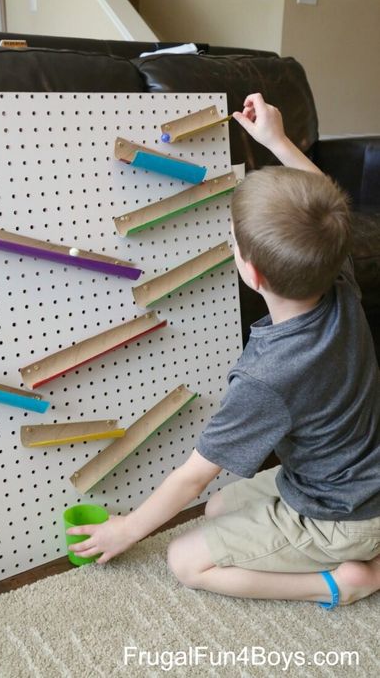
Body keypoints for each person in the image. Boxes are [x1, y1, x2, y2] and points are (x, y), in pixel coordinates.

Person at [67, 93, 380, 609]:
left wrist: (127, 531)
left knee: (186, 561)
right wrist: (276, 141)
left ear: (250, 274)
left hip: (342, 516)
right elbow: (326, 200)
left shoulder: (267, 377)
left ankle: (341, 583)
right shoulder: (339, 281)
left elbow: (193, 476)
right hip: (344, 483)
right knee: (218, 513)